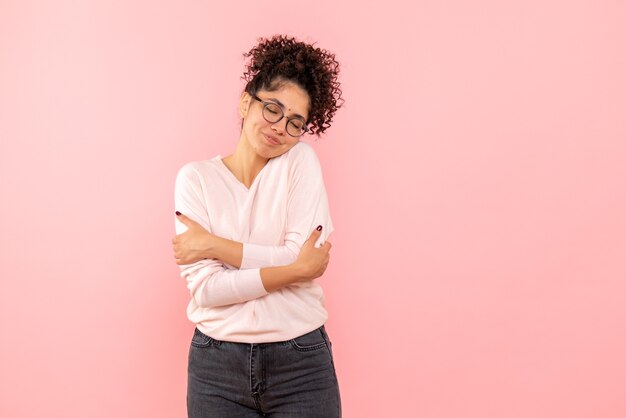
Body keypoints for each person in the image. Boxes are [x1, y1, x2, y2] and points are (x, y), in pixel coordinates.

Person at [172, 35, 343, 418]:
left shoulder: (299, 161)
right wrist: (294, 270)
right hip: (215, 367)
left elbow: (297, 257)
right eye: (272, 109)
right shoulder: (196, 179)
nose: (280, 126)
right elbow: (207, 291)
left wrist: (214, 245)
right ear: (246, 102)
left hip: (300, 362)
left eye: (295, 121)